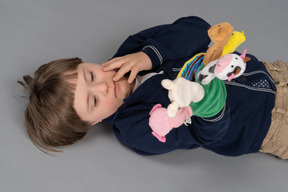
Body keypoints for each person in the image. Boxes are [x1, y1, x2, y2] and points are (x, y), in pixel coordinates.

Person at [18, 16, 288, 159]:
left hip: (266, 72)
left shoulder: (132, 49)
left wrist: (150, 54)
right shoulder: (138, 128)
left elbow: (198, 29)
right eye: (94, 101)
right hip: (266, 126)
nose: (103, 85)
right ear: (94, 122)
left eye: (90, 75)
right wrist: (209, 107)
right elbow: (209, 135)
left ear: (84, 62)